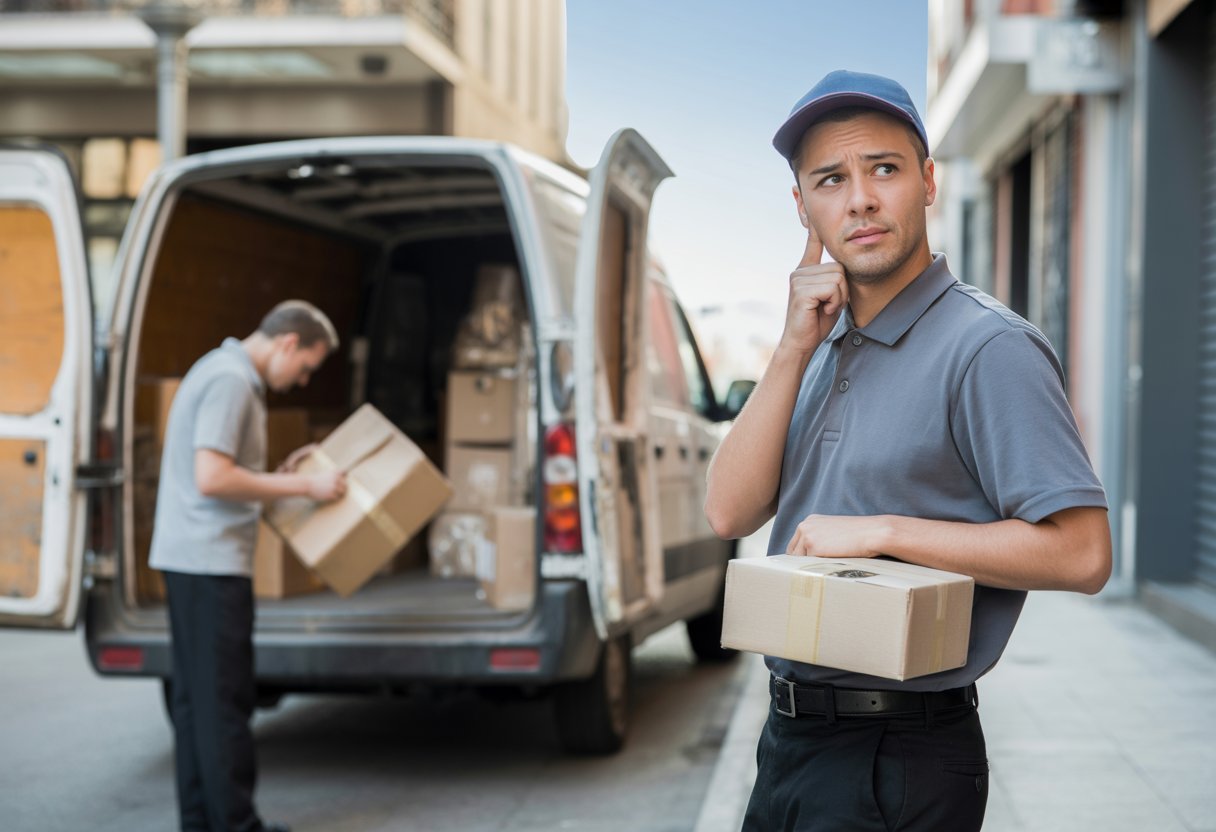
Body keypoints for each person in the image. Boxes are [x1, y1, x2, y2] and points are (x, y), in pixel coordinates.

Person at [704, 70, 1112, 831]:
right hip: (790, 741)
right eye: (830, 179)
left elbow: (1084, 555)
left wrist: (885, 532)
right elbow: (728, 506)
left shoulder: (989, 347)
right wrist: (794, 345)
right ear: (803, 207)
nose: (858, 198)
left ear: (926, 182)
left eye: (882, 169)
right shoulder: (819, 343)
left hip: (898, 754)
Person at [150, 300, 348, 832]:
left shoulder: (218, 371)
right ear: (288, 343)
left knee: (196, 703)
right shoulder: (233, 381)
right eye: (306, 367)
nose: (303, 381)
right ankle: (238, 825)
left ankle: (201, 821)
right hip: (210, 563)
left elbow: (222, 472)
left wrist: (275, 478)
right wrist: (305, 485)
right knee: (224, 701)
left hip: (188, 558)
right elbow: (212, 477)